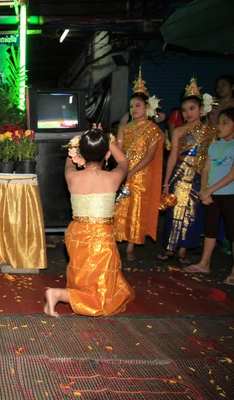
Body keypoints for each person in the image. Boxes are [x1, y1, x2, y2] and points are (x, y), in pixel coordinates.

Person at [44, 127, 134, 317]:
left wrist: (77, 147)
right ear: (107, 154)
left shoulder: (71, 176)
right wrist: (106, 139)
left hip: (76, 233)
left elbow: (69, 163)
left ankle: (70, 293)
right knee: (102, 299)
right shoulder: (113, 177)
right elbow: (124, 161)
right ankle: (59, 294)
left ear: (81, 154)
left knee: (84, 275)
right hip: (101, 235)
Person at [158, 78, 216, 265]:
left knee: (191, 213)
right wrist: (166, 182)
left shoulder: (210, 132)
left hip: (199, 177)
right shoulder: (179, 131)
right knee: (174, 211)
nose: (187, 113)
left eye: (191, 108)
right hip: (179, 175)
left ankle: (183, 250)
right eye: (184, 110)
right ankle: (170, 248)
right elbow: (173, 157)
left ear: (201, 109)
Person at [113, 70, 164, 261]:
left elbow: (150, 156)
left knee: (136, 209)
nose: (134, 109)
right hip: (123, 171)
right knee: (119, 206)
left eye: (138, 105)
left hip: (141, 175)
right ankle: (116, 241)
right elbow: (118, 149)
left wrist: (131, 171)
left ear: (147, 107)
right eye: (131, 106)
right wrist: (121, 169)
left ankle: (131, 247)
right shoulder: (124, 128)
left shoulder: (154, 130)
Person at [185, 108, 234, 281]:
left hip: (229, 194)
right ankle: (204, 263)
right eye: (219, 122)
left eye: (225, 123)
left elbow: (232, 175)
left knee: (232, 231)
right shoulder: (214, 144)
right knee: (210, 229)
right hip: (210, 194)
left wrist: (209, 190)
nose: (219, 126)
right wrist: (204, 189)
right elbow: (206, 168)